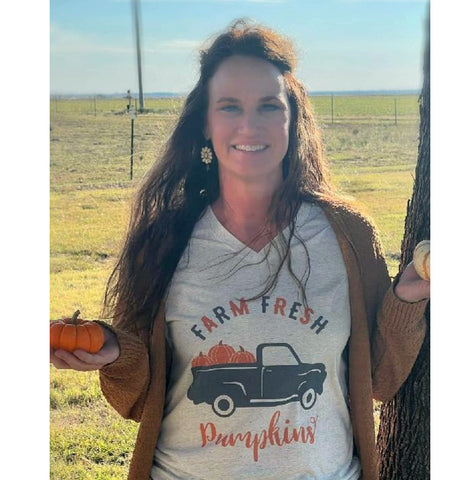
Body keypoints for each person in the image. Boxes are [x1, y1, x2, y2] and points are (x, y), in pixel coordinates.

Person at [50, 19, 429, 480]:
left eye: (269, 106)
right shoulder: (165, 238)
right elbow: (136, 397)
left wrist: (407, 299)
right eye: (230, 107)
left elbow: (380, 378)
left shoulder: (347, 234)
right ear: (206, 126)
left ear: (293, 120)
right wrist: (114, 353)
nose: (249, 124)